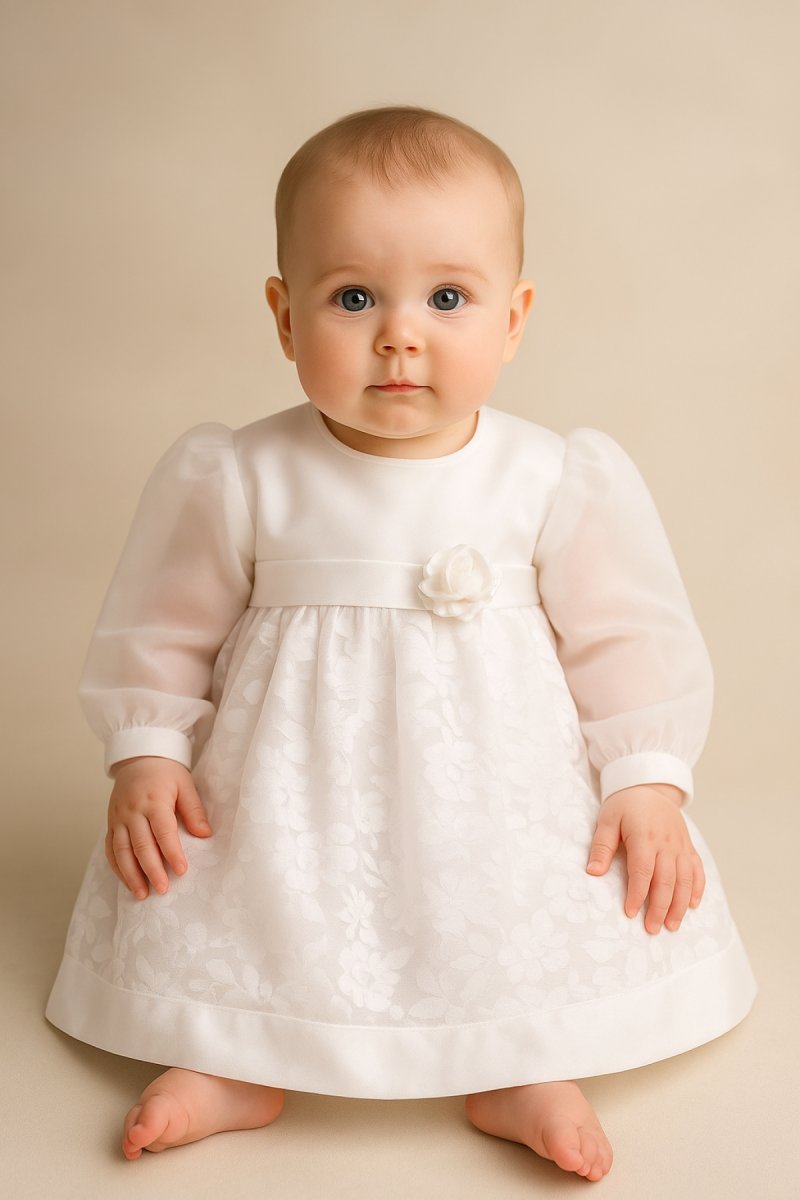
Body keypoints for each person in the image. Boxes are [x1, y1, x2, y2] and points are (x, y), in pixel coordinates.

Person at [46, 106, 756, 1183]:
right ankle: (237, 1054)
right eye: (352, 297)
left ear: (512, 319)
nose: (399, 333)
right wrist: (146, 749)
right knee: (253, 902)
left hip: (495, 790)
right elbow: (164, 624)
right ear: (284, 318)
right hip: (290, 793)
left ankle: (518, 1060)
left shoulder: (549, 477)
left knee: (518, 898)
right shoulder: (241, 473)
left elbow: (626, 636)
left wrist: (645, 776)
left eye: (446, 297)